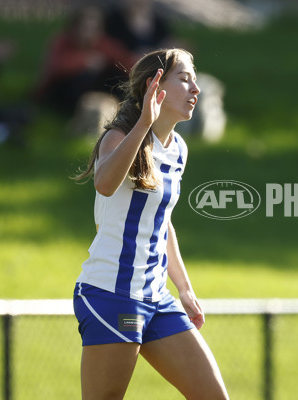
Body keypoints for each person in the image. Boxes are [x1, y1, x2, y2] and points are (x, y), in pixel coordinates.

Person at [72, 48, 229, 400]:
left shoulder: (178, 149)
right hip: (112, 296)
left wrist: (185, 289)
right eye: (185, 79)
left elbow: (161, 221)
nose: (196, 89)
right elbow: (105, 185)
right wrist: (143, 122)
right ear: (154, 85)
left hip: (157, 298)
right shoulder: (118, 136)